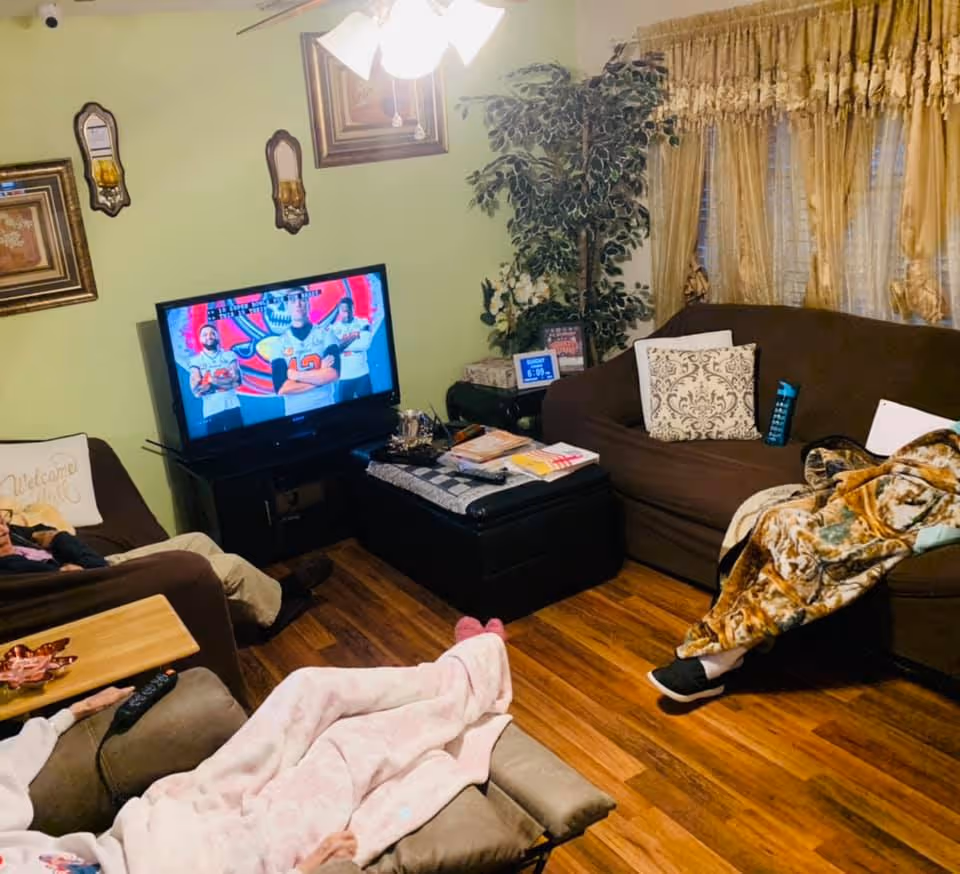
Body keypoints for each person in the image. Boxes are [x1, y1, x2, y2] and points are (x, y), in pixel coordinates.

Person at [0, 624, 509, 874]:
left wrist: (69, 714)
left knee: (309, 687)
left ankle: (456, 670)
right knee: (351, 747)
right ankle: (476, 666)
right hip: (238, 861)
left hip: (166, 817)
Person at [0, 514, 327, 641]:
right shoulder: (14, 572)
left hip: (96, 568)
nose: (4, 529)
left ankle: (259, 598)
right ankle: (274, 610)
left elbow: (33, 531)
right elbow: (94, 572)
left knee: (197, 540)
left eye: (2, 520)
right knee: (229, 566)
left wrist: (46, 536)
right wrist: (59, 539)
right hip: (102, 587)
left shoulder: (11, 538)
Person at [272, 290, 340, 415]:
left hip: (327, 412)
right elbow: (282, 388)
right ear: (286, 306)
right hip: (295, 417)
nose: (298, 303)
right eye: (292, 300)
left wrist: (296, 376)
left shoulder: (326, 334)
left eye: (302, 298)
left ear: (308, 302)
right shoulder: (279, 343)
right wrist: (319, 377)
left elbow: (333, 374)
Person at [188, 324, 243, 436]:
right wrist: (226, 382)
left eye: (212, 333)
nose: (209, 336)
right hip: (211, 411)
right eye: (205, 334)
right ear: (200, 339)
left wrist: (212, 381)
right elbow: (197, 392)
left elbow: (237, 381)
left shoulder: (229, 355)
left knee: (241, 442)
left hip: (232, 408)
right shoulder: (196, 361)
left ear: (218, 336)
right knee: (217, 448)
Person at [328, 298, 374, 403]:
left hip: (362, 375)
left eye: (349, 310)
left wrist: (341, 345)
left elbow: (365, 344)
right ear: (339, 311)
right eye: (344, 311)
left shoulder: (363, 323)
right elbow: (334, 350)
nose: (347, 314)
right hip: (344, 377)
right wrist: (354, 337)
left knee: (370, 409)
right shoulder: (333, 329)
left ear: (353, 309)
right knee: (344, 414)